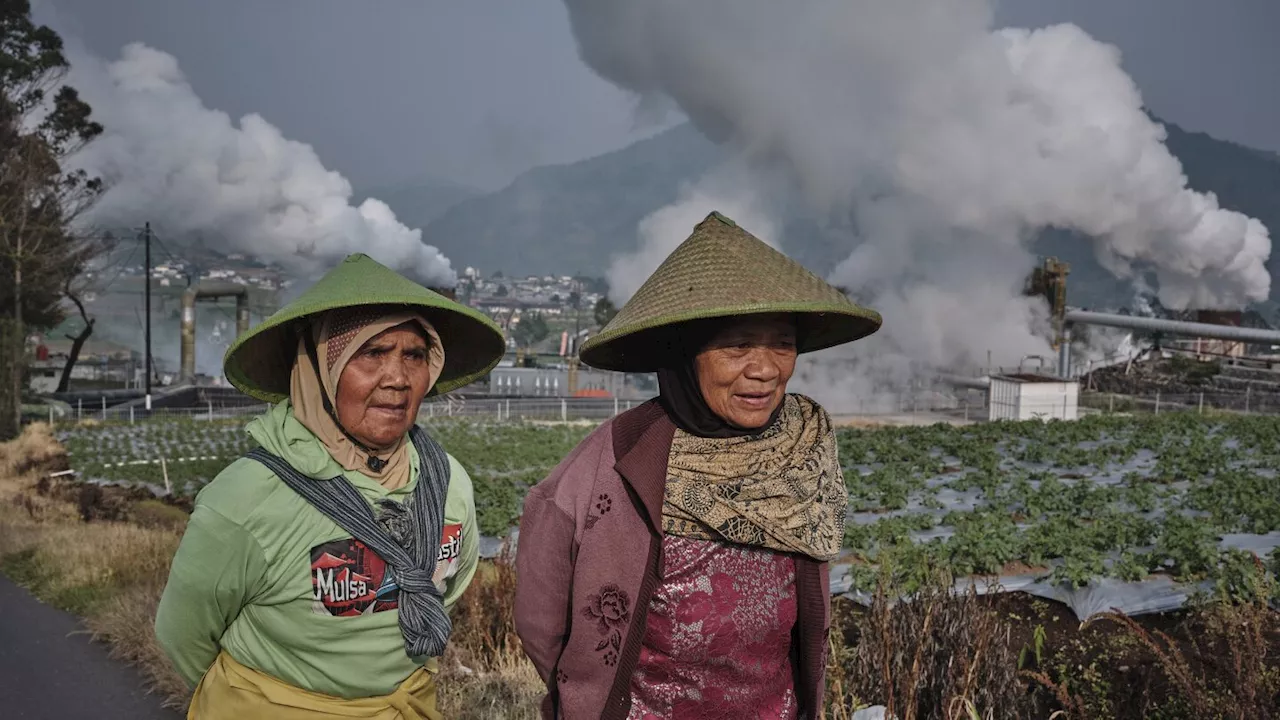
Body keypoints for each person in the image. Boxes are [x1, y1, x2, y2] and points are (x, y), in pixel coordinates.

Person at [514, 211, 882, 720]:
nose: (766, 368)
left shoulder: (802, 447)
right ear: (685, 353)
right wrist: (592, 690)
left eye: (782, 342)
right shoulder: (617, 459)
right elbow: (540, 619)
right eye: (736, 344)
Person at [155, 253, 506, 719]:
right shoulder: (247, 497)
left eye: (414, 355)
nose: (398, 378)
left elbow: (447, 587)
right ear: (319, 370)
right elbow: (183, 633)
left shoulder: (448, 484)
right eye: (372, 353)